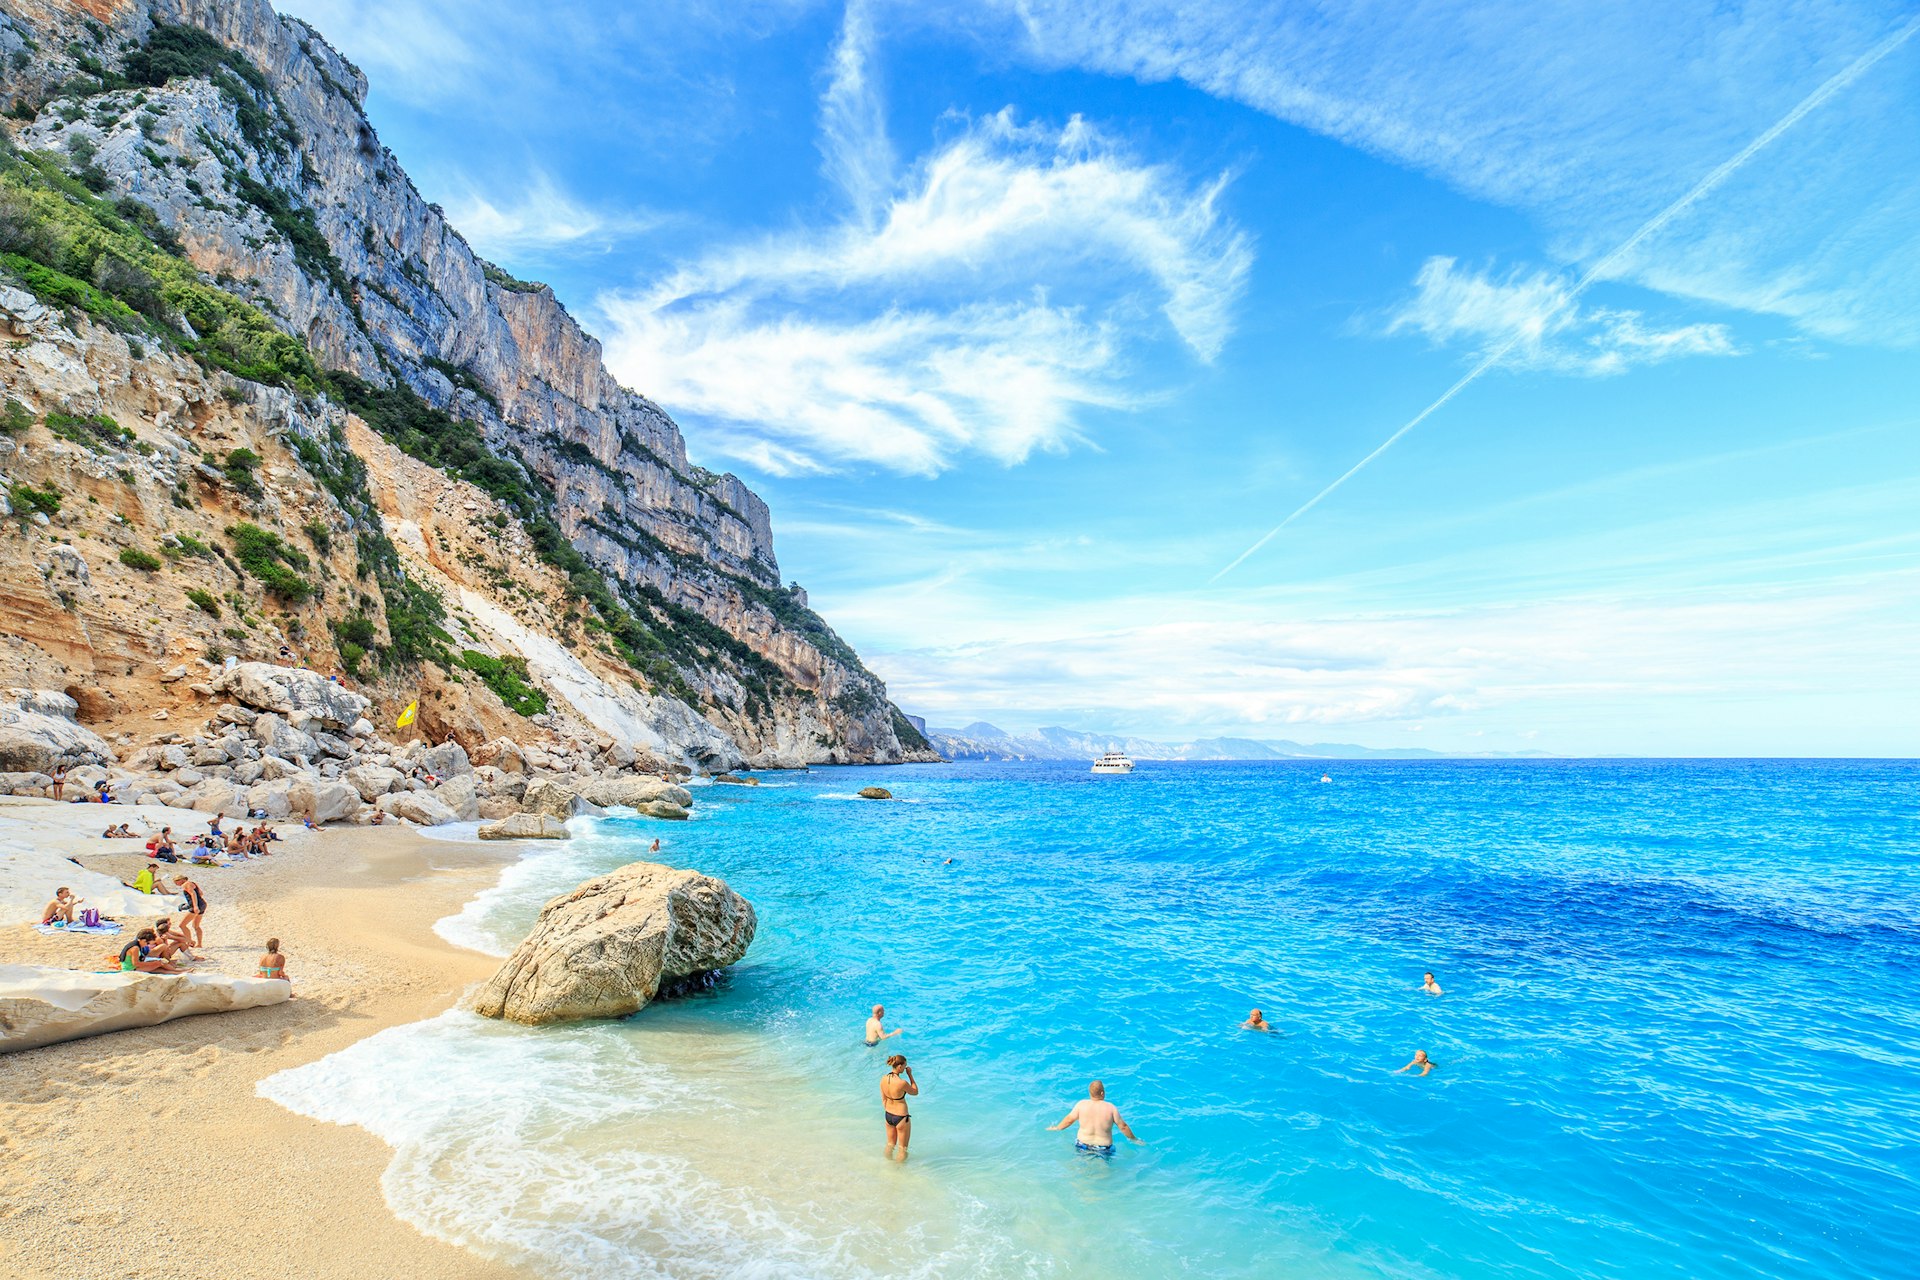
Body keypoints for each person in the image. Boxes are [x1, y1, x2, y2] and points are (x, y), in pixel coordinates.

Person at [1047, 1080, 1140, 1157]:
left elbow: (1069, 1120)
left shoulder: (1081, 1104)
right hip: (1103, 1149)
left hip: (1082, 1145)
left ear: (1090, 1093)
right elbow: (1123, 1127)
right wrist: (1134, 1139)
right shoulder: (1111, 1108)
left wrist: (1057, 1128)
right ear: (1102, 1093)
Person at [881, 1054, 918, 1160]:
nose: (905, 1067)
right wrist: (910, 1075)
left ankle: (887, 1165)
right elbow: (915, 1092)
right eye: (905, 1065)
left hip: (888, 1115)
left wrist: (889, 1109)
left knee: (890, 1144)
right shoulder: (902, 1083)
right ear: (900, 1066)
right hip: (901, 1117)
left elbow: (884, 1099)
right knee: (902, 1148)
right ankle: (898, 1171)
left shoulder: (883, 1079)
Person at [116, 929, 183, 974]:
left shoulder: (136, 944)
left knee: (159, 967)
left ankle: (175, 972)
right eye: (147, 943)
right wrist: (153, 963)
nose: (146, 945)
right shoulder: (135, 948)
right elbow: (136, 963)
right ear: (143, 940)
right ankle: (177, 971)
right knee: (160, 963)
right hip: (131, 969)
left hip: (132, 967)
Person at [176, 874, 207, 948]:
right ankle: (199, 944)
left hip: (196, 906)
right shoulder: (192, 883)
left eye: (176, 882)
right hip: (202, 904)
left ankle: (190, 942)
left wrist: (195, 906)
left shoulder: (186, 884)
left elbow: (193, 894)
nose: (177, 884)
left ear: (180, 880)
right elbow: (200, 893)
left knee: (182, 925)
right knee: (196, 926)